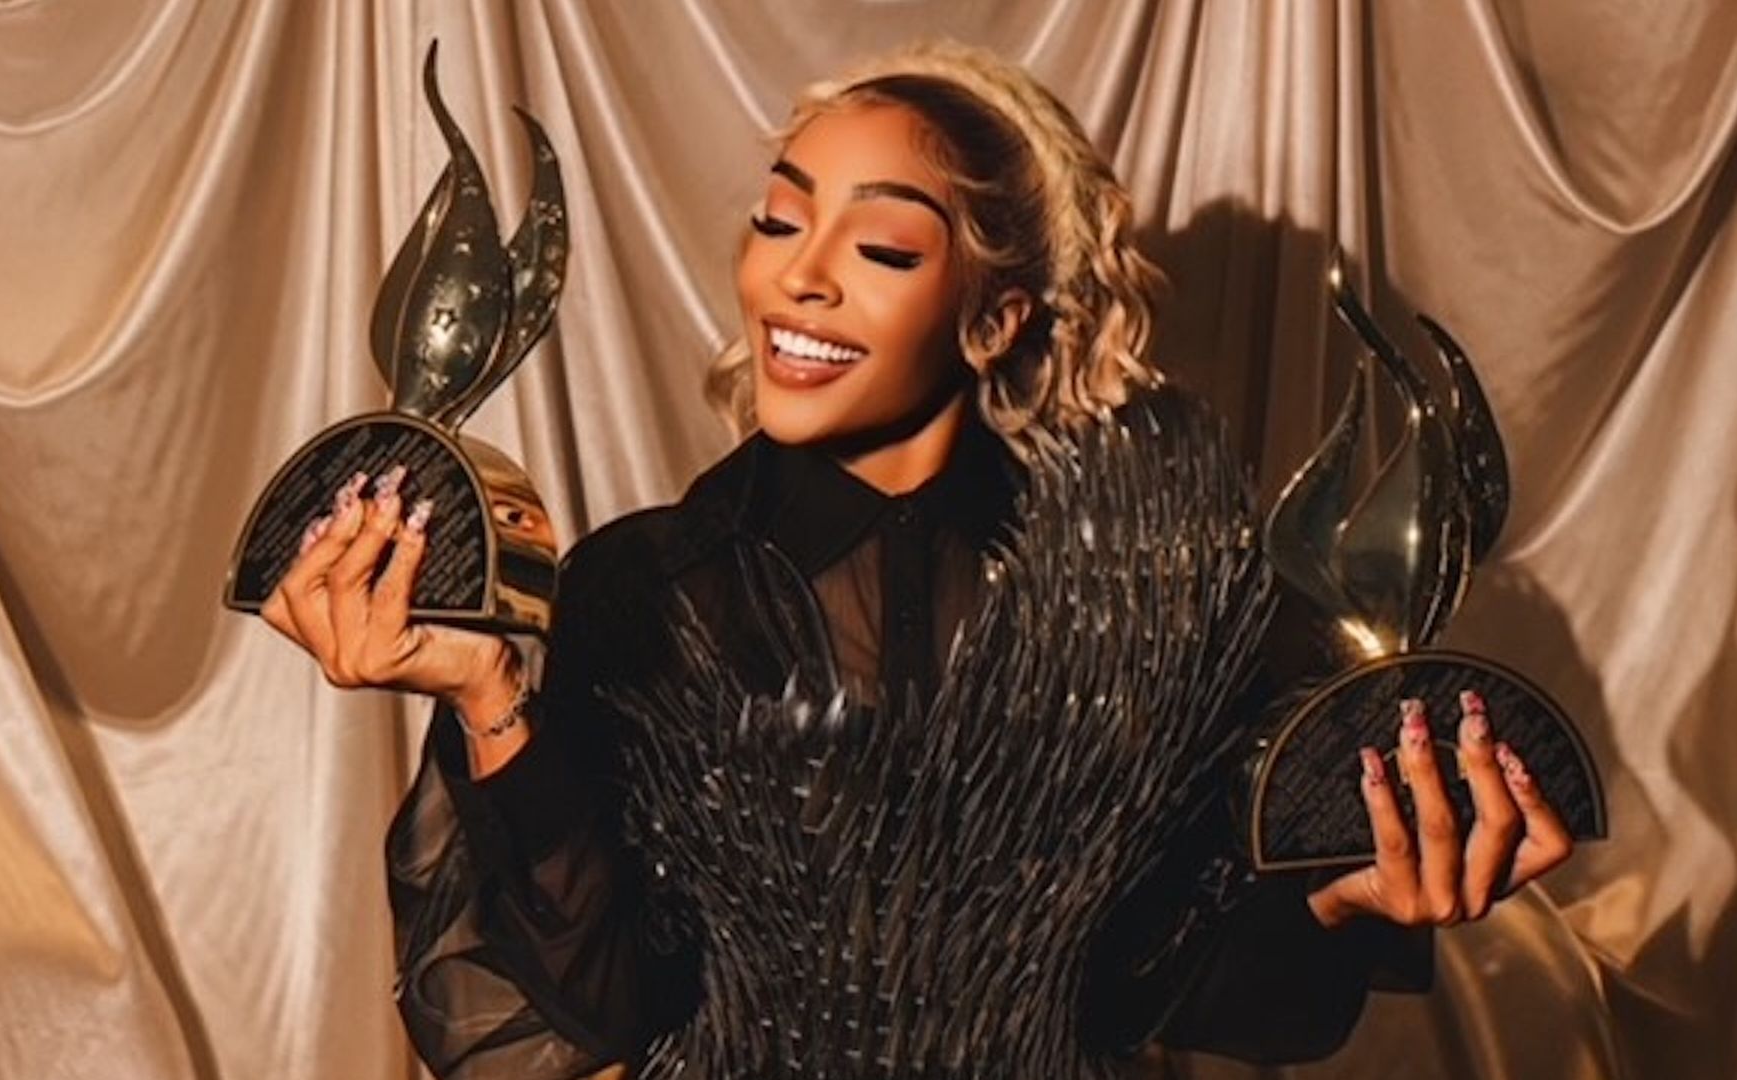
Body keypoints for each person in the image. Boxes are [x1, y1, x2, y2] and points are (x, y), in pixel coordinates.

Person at [261, 40, 1572, 1080]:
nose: (801, 281)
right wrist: (491, 704)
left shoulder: (1152, 616)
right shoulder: (645, 593)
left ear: (998, 314)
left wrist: (1337, 900)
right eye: (781, 224)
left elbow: (1161, 1001)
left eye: (881, 247)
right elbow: (583, 1014)